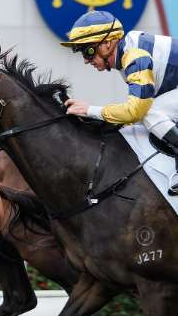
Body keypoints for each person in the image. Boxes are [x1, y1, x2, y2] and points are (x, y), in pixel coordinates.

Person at [61, 10, 178, 195]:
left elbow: (136, 111)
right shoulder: (128, 53)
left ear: (108, 43)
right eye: (82, 52)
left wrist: (89, 110)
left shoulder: (135, 56)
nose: (86, 60)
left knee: (147, 112)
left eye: (88, 50)